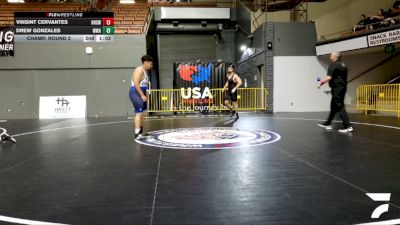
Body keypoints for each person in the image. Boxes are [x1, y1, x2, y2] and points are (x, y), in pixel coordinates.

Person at [318, 52, 354, 133]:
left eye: (331, 55)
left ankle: (348, 126)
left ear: (335, 57)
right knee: (333, 106)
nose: (330, 56)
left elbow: (329, 77)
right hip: (342, 87)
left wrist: (321, 83)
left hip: (337, 88)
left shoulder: (334, 65)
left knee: (339, 105)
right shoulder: (343, 65)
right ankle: (328, 123)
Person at [129, 55, 153, 139]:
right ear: (145, 62)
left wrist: (145, 95)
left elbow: (144, 86)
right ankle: (137, 133)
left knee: (143, 113)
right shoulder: (139, 70)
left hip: (141, 93)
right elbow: (136, 83)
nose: (151, 66)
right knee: (138, 113)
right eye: (150, 64)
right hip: (135, 93)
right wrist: (142, 95)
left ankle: (141, 131)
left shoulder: (145, 71)